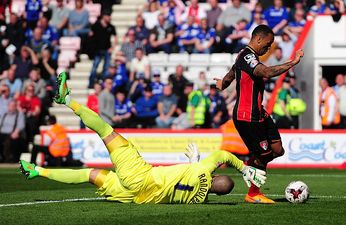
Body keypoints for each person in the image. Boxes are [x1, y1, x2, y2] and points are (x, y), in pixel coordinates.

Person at [19, 71, 266, 204]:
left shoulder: (202, 171)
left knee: (106, 131)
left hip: (139, 175)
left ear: (216, 175)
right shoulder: (198, 201)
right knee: (89, 174)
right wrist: (195, 165)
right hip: (138, 197)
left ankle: (66, 100)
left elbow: (222, 155)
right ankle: (36, 171)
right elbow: (191, 182)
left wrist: (243, 168)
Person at [214, 24, 304, 204]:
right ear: (258, 39)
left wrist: (223, 83)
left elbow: (232, 72)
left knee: (277, 150)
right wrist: (292, 63)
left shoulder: (244, 56)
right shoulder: (247, 56)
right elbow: (267, 72)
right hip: (247, 116)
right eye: (268, 43)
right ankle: (253, 193)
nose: (269, 48)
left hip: (260, 113)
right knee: (263, 155)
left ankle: (252, 165)